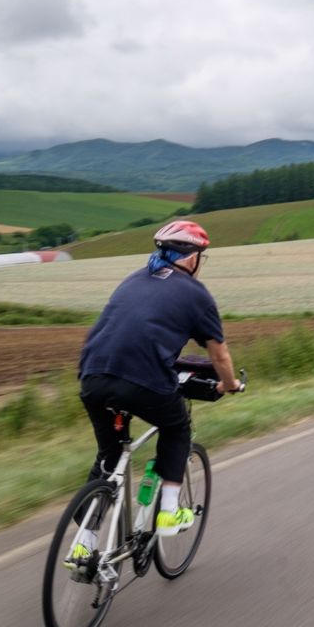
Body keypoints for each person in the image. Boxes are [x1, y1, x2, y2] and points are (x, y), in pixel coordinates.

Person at [76, 220, 241, 540]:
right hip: (142, 380)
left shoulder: (133, 280)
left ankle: (85, 541)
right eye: (201, 256)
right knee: (176, 426)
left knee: (109, 456)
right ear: (191, 257)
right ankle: (168, 512)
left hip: (93, 376)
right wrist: (230, 384)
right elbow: (219, 356)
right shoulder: (196, 294)